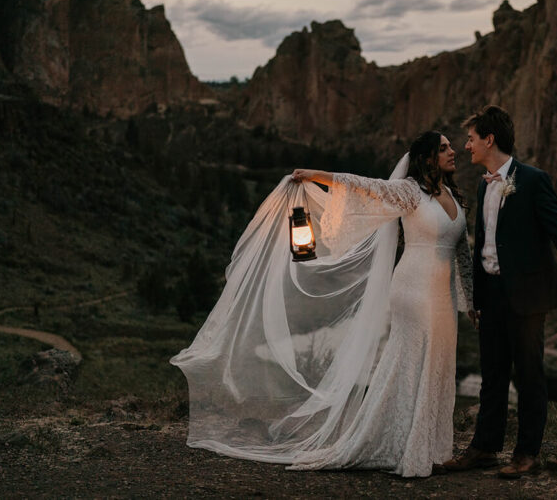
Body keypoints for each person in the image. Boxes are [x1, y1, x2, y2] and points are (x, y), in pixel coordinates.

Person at [171, 131, 473, 478]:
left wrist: (471, 302)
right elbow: (364, 186)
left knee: (438, 363)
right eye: (445, 148)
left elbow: (462, 253)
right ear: (427, 158)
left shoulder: (451, 194)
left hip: (443, 296)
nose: (453, 152)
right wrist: (316, 176)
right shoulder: (408, 192)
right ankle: (410, 448)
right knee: (412, 361)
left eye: (452, 146)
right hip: (413, 289)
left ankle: (432, 447)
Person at [442, 105, 557, 479]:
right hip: (493, 295)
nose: (467, 146)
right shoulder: (485, 186)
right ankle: (484, 448)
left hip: (528, 297)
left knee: (530, 375)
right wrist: (478, 300)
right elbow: (485, 245)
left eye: (471, 138)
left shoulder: (532, 180)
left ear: (489, 139)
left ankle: (527, 453)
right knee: (492, 375)